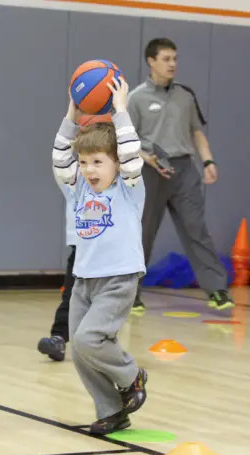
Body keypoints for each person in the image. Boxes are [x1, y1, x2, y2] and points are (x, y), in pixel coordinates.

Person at [51, 77, 147, 435]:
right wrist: (72, 115)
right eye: (84, 162)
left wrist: (121, 111)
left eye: (97, 162)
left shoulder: (128, 188)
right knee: (81, 349)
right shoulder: (76, 189)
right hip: (84, 280)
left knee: (92, 339)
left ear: (116, 164)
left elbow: (132, 152)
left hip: (119, 278)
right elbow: (60, 156)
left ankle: (132, 376)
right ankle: (111, 409)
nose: (89, 169)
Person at [127, 37, 232, 311]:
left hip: (184, 169)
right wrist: (145, 158)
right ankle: (131, 292)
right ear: (151, 61)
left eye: (175, 58)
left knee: (197, 230)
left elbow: (196, 131)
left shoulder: (186, 95)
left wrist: (208, 161)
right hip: (150, 170)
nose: (172, 64)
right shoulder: (136, 98)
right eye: (166, 59)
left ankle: (217, 289)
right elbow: (126, 139)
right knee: (143, 234)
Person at [38, 115, 111, 362]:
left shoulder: (122, 183)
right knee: (73, 296)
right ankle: (59, 337)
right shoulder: (74, 180)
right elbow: (60, 157)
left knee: (108, 302)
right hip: (82, 249)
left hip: (115, 253)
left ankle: (105, 348)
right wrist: (71, 115)